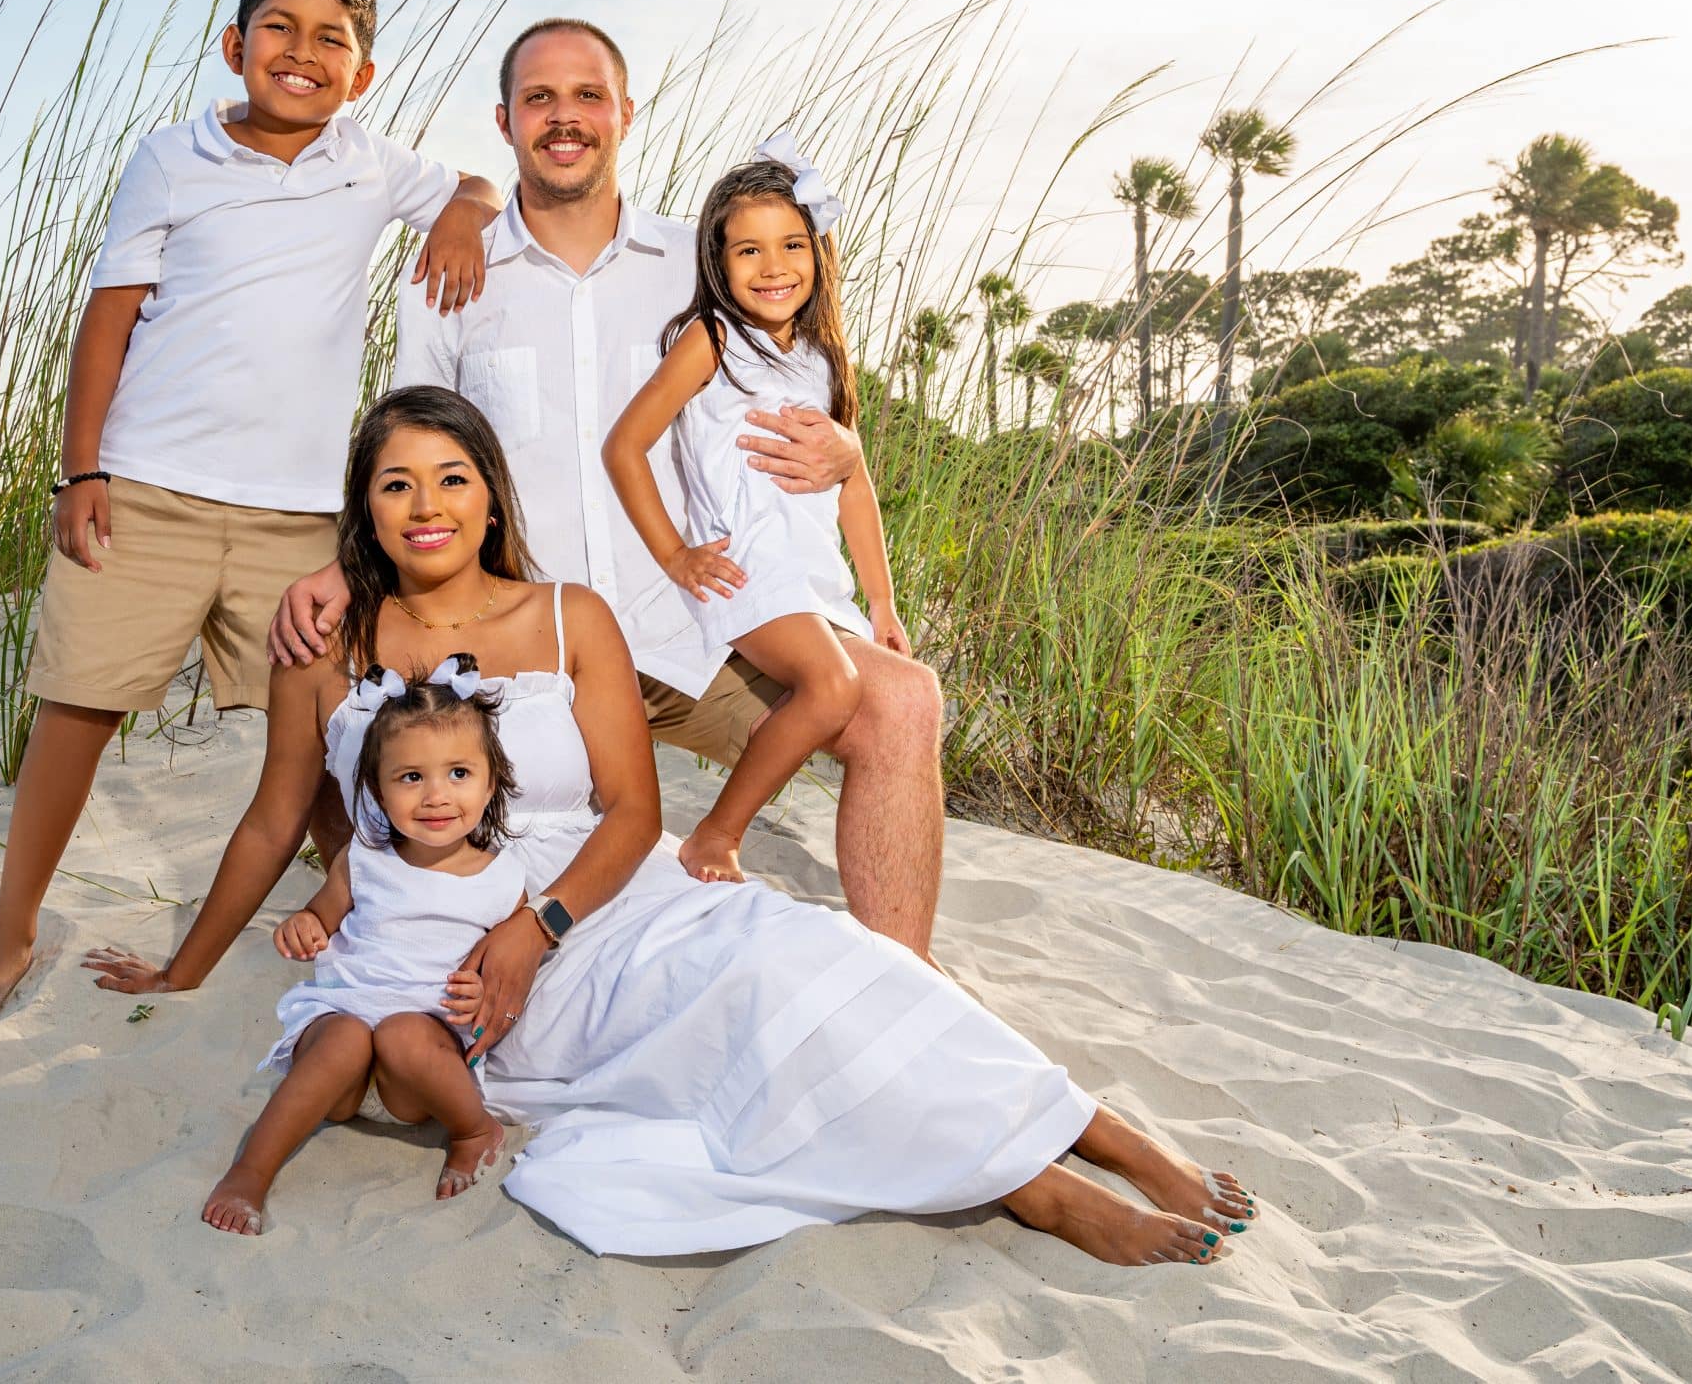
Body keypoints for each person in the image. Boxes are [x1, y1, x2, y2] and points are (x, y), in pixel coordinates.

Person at [89, 387, 1259, 1262]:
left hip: (604, 896)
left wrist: (536, 924)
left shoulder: (567, 616)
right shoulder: (326, 646)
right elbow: (268, 820)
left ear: (491, 492)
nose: (426, 505)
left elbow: (634, 809)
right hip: (449, 954)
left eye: (451, 477)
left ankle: (1096, 1128)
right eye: (395, 483)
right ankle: (1035, 1188)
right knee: (753, 1023)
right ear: (365, 509)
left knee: (822, 953)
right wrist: (184, 964)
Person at [269, 18, 947, 959]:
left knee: (903, 702)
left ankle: (906, 986)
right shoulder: (448, 275)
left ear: (625, 114)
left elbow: (801, 367)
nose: (565, 117)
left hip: (687, 626)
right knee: (317, 667)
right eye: (539, 98)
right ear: (504, 121)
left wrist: (842, 448)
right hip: (524, 648)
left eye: (588, 95)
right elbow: (404, 442)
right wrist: (347, 565)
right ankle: (380, 942)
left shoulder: (698, 263)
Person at [0, 0, 505, 1024]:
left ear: (361, 73)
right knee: (78, 709)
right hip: (147, 486)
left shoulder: (371, 163)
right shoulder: (168, 159)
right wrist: (82, 467)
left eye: (331, 39)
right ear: (237, 45)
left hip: (298, 518)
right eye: (279, 30)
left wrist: (470, 205)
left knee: (339, 736)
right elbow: (108, 316)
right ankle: (10, 931)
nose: (303, 53)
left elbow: (472, 183)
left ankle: (376, 916)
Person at [603, 135, 905, 884]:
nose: (774, 267)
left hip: (812, 577)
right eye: (748, 250)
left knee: (874, 698)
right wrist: (676, 553)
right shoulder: (712, 339)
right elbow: (624, 446)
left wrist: (883, 601)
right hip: (747, 571)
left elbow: (854, 485)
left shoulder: (826, 354)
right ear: (717, 259)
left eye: (792, 244)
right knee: (832, 687)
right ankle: (716, 835)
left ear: (819, 251)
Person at [202, 656, 522, 1235]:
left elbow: (507, 953)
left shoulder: (501, 878)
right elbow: (322, 914)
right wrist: (304, 925)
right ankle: (251, 1170)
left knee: (401, 1034)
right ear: (376, 788)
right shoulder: (365, 858)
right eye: (410, 777)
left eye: (458, 774)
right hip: (344, 1044)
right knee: (343, 1038)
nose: (435, 796)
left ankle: (474, 1129)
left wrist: (483, 982)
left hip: (420, 1065)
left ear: (490, 781)